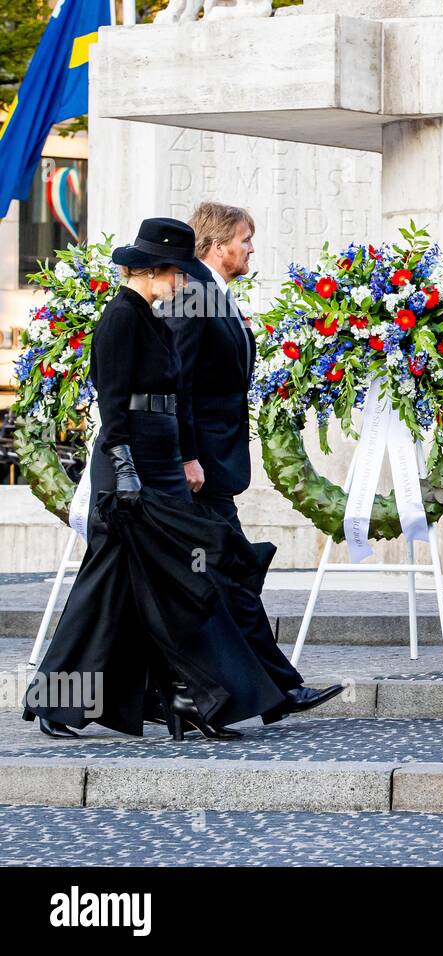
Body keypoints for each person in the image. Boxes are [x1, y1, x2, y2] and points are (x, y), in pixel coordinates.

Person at [24, 218, 290, 740]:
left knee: (159, 583)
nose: (187, 285)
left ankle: (183, 695)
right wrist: (125, 473)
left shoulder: (146, 315)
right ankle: (86, 701)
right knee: (114, 584)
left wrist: (173, 459)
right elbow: (114, 402)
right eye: (179, 274)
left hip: (159, 459)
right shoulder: (122, 317)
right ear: (153, 271)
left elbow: (171, 394)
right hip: (135, 464)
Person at [169, 201, 341, 719]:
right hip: (200, 471)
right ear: (218, 245)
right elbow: (178, 381)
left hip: (215, 465)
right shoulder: (193, 295)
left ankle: (230, 691)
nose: (250, 248)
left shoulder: (214, 293)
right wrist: (188, 456)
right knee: (231, 575)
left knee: (222, 576)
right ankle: (277, 688)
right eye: (244, 239)